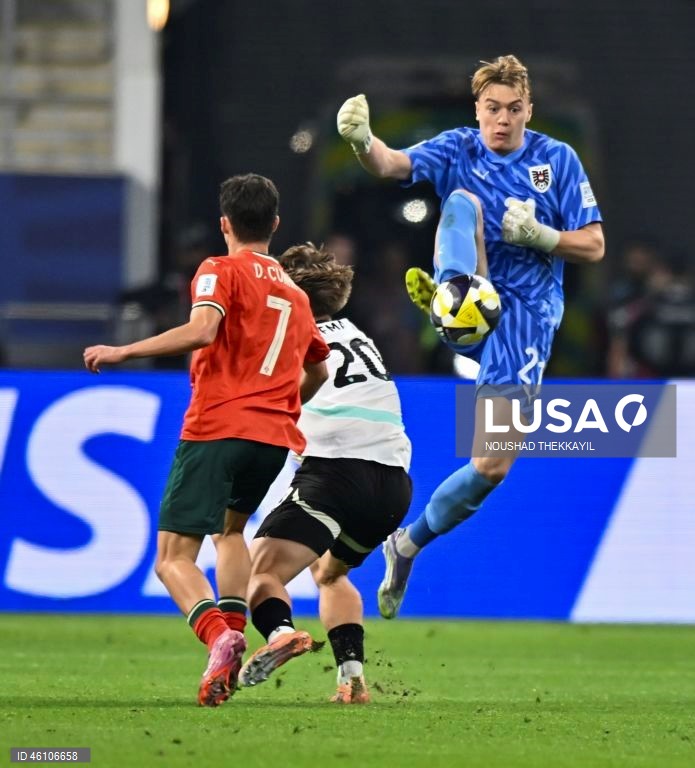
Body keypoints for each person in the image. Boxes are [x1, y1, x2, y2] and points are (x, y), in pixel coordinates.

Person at [337, 54, 605, 618]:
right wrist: (362, 140)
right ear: (477, 110)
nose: (501, 120)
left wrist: (542, 235)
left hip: (526, 320)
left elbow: (594, 245)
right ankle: (453, 292)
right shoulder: (458, 146)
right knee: (462, 200)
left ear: (529, 110)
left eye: (513, 109)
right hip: (475, 299)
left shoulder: (558, 160)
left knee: (491, 467)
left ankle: (406, 544)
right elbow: (391, 164)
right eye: (492, 109)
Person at [83, 173, 330, 706]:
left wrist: (124, 352)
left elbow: (201, 330)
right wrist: (281, 402)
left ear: (225, 224)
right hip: (272, 440)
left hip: (218, 426)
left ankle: (219, 635)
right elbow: (319, 371)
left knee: (172, 559)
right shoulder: (295, 292)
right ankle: (235, 641)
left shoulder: (218, 269)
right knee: (230, 531)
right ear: (276, 225)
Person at [236, 242, 413, 702]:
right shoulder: (357, 333)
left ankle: (279, 634)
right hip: (393, 484)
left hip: (336, 472)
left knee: (262, 573)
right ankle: (352, 679)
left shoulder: (292, 331)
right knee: (330, 574)